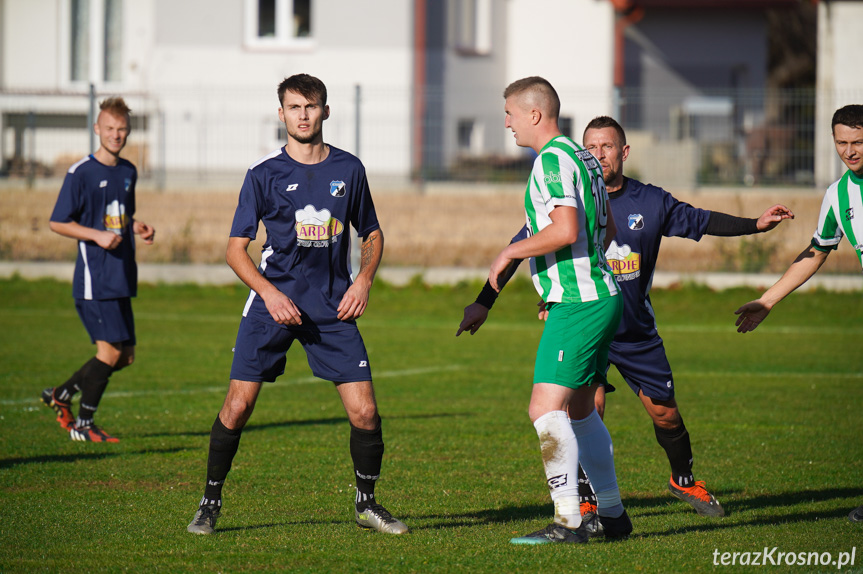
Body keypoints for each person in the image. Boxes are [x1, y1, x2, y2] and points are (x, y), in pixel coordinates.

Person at [459, 115, 794, 528]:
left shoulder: (649, 201)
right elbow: (521, 245)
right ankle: (585, 503)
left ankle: (682, 479)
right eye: (592, 147)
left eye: (607, 147)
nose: (599, 156)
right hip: (587, 323)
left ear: (624, 152)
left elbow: (701, 220)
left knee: (664, 413)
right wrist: (484, 302)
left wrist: (755, 225)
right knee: (586, 409)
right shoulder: (573, 193)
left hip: (634, 331)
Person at [186, 74, 407, 536]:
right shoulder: (263, 174)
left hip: (332, 307)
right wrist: (268, 292)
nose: (303, 115)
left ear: (326, 111)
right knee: (238, 406)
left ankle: (366, 504)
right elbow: (234, 249)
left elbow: (371, 232)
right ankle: (209, 502)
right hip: (273, 305)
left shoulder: (349, 169)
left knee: (365, 411)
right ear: (280, 114)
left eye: (311, 106)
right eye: (293, 107)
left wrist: (364, 279)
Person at [477, 77, 632, 545]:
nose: (506, 122)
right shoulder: (582, 157)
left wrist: (510, 253)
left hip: (580, 302)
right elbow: (602, 232)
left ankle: (568, 521)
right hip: (600, 295)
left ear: (535, 115)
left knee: (545, 409)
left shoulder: (550, 161)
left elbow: (566, 229)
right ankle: (613, 515)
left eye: (509, 113)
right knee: (582, 411)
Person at [735, 104, 863, 525]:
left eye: (858, 142)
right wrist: (768, 299)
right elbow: (817, 250)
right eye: (842, 142)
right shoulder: (838, 194)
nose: (850, 151)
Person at [42, 97, 155, 443]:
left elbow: (120, 215)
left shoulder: (128, 171)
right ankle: (84, 425)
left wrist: (135, 227)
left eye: (122, 129)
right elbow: (57, 222)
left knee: (126, 358)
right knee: (109, 353)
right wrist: (96, 236)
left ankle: (61, 394)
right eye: (109, 128)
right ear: (97, 129)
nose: (116, 135)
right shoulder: (81, 173)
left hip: (121, 274)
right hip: (95, 277)